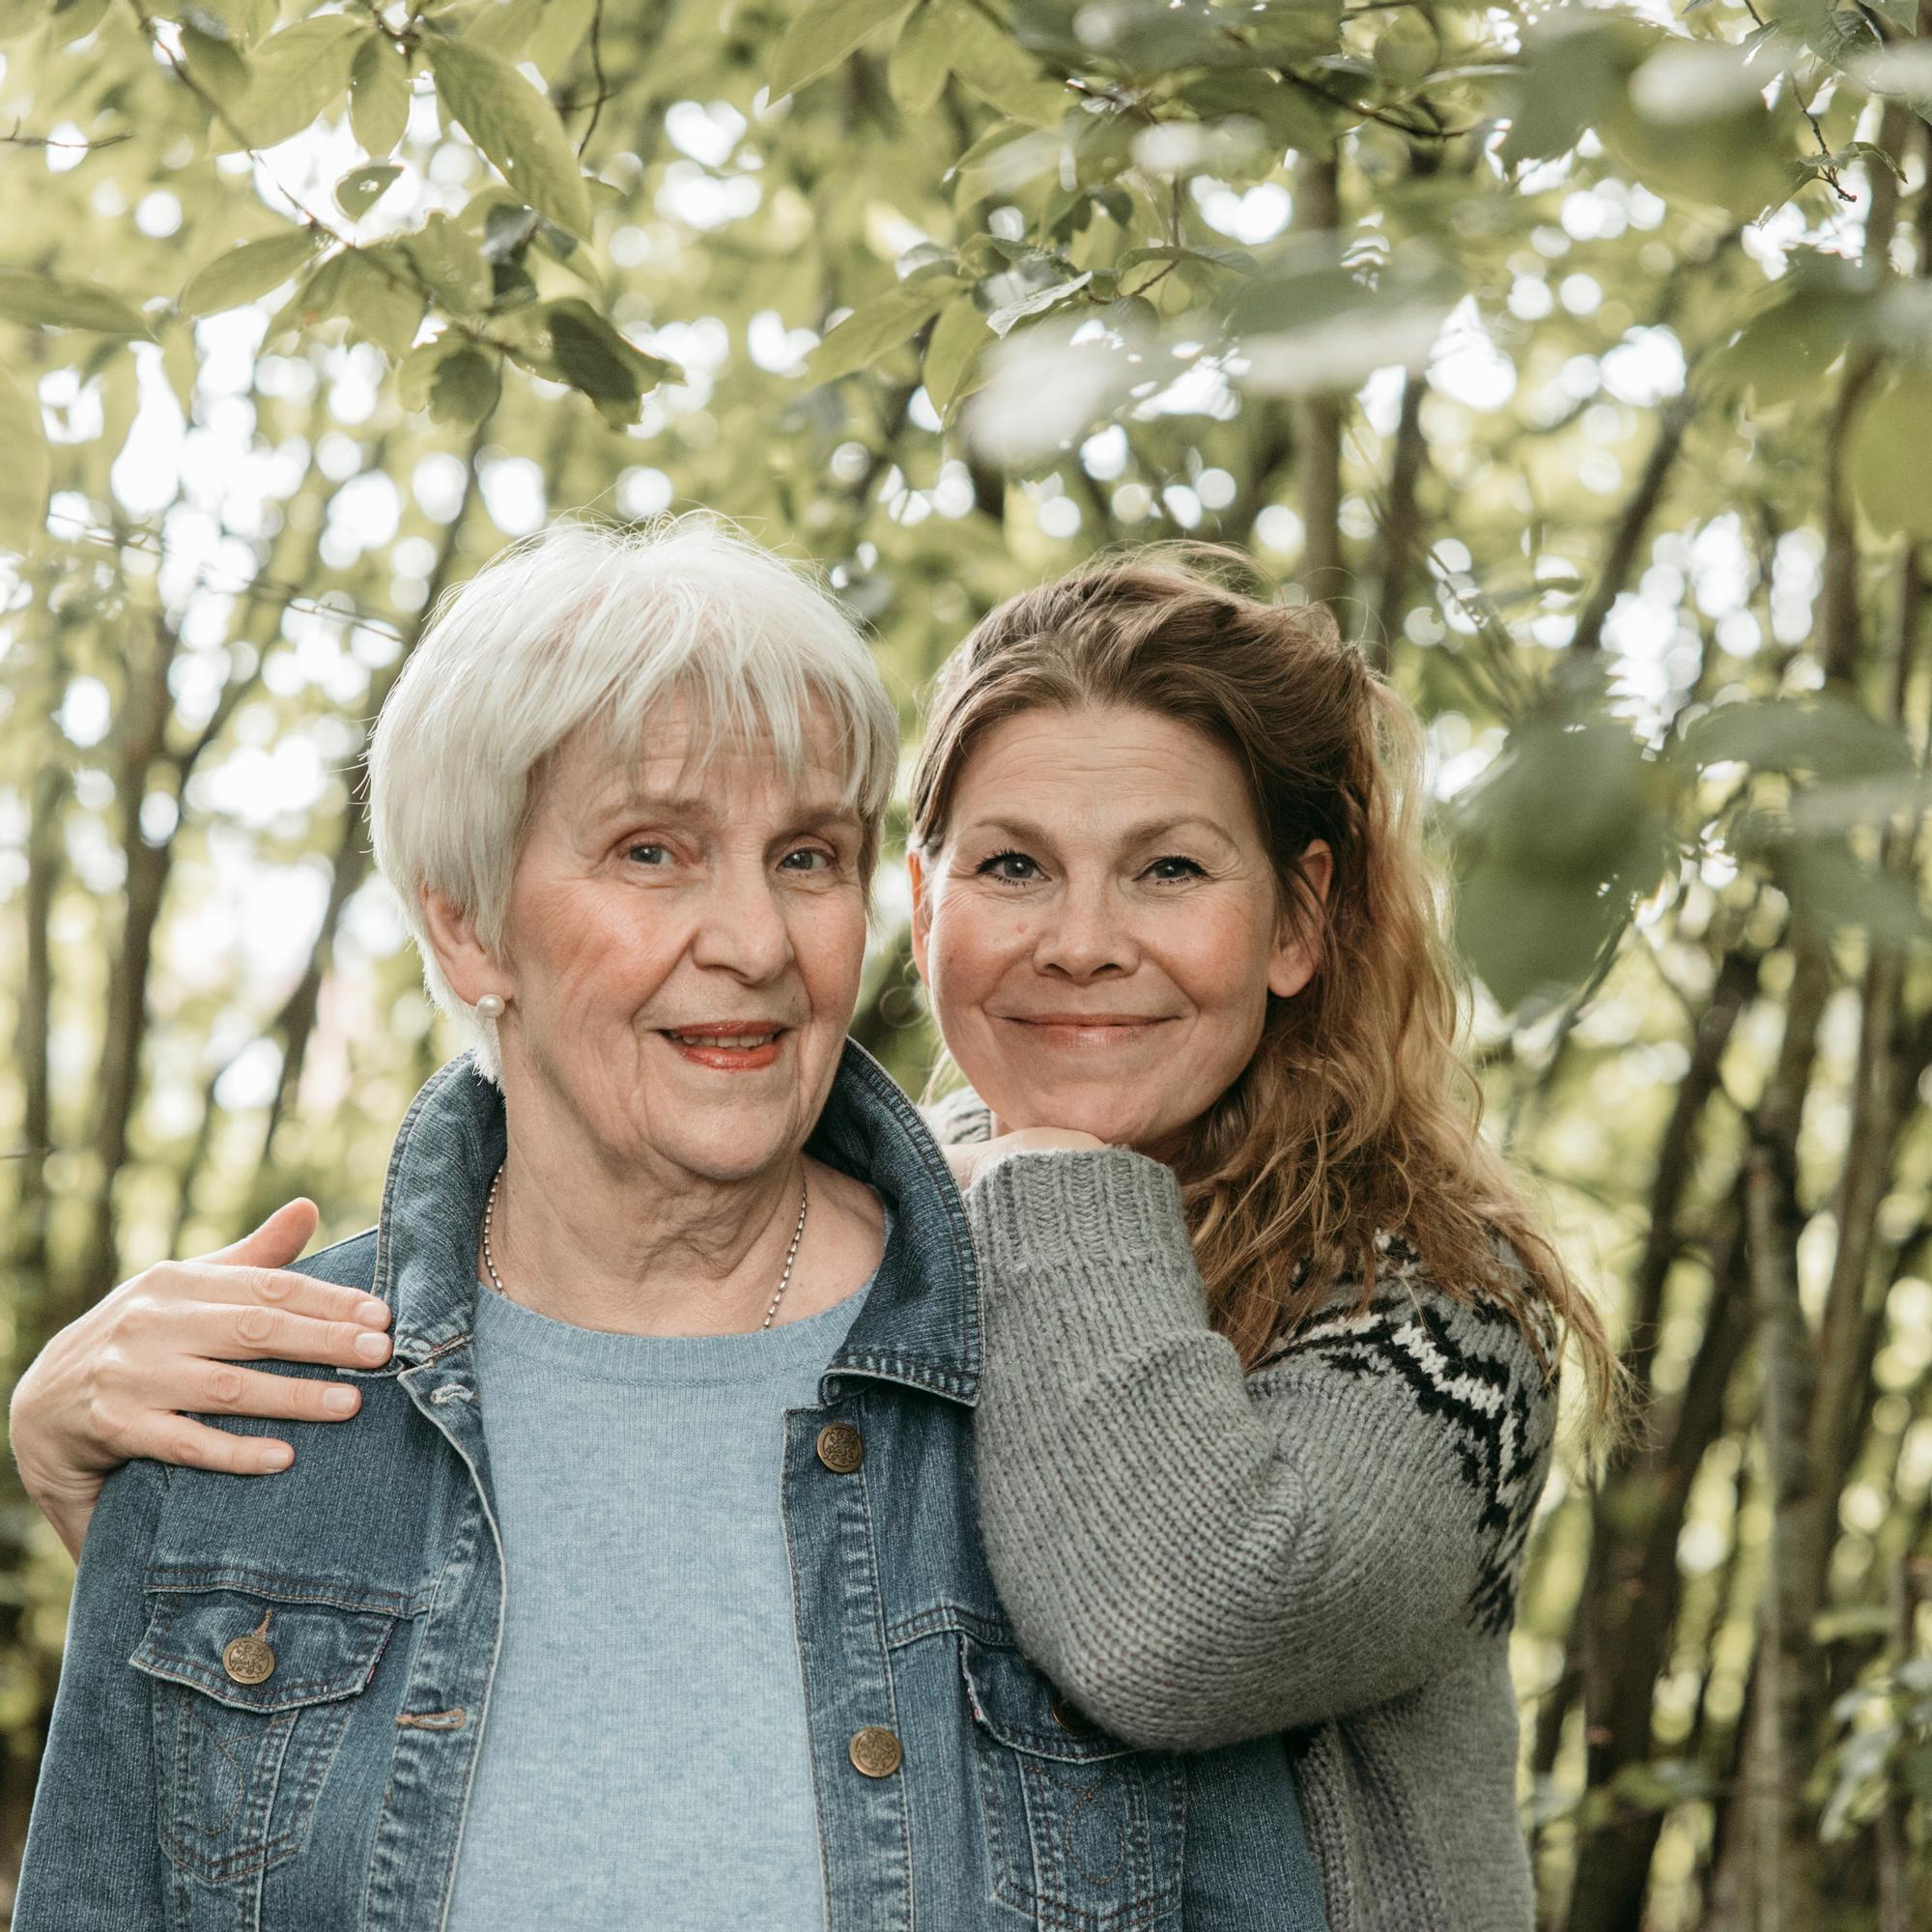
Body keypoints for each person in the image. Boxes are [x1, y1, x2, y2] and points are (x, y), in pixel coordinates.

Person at [10, 537, 1618, 1930]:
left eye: (803, 858)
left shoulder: (1367, 1338)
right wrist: (110, 1480)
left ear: (1301, 922)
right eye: (651, 851)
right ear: (462, 918)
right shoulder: (258, 1398)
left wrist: (1039, 1174)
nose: (1080, 947)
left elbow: (1192, 1620)